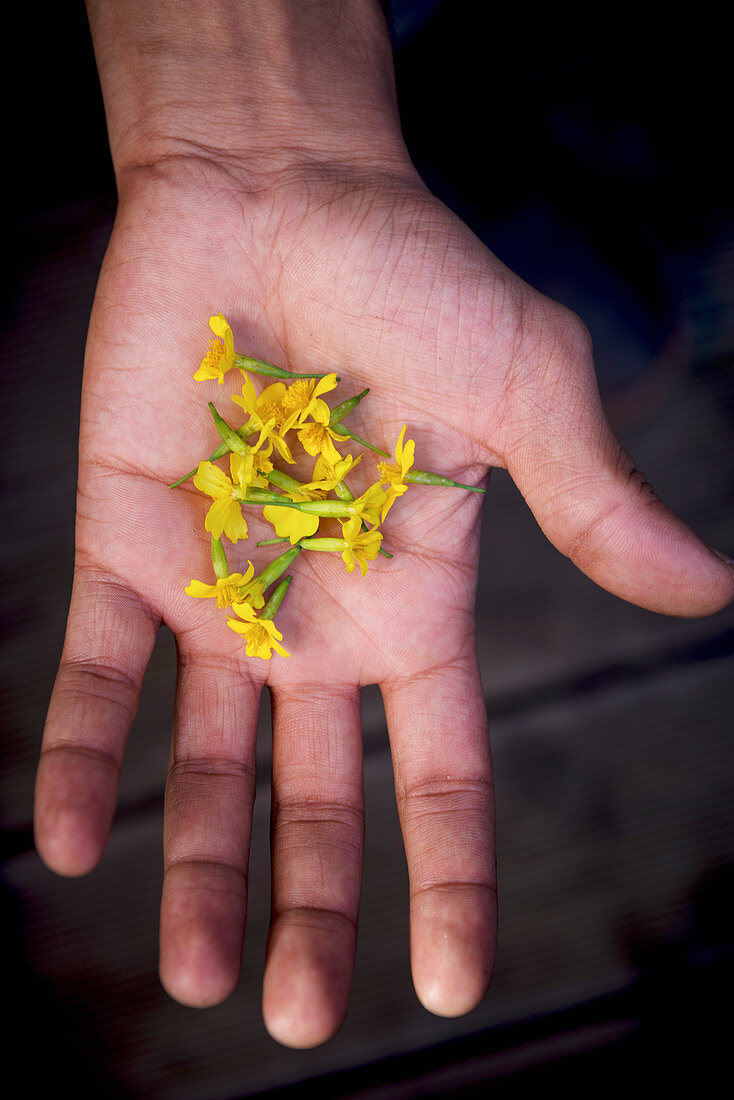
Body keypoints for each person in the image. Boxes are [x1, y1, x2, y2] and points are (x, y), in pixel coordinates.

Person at [33, 0, 734, 1050]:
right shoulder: (269, 452)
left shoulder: (318, 453)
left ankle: (485, 152)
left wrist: (288, 136)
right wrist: (230, 125)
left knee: (527, 85)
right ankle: (475, 158)